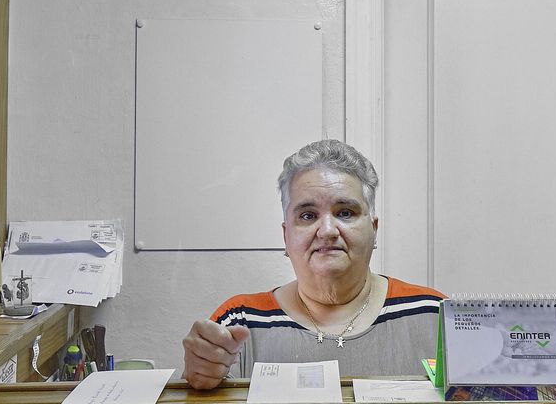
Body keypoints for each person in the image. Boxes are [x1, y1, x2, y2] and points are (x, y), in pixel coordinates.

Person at [182, 139, 442, 390]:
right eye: (307, 216)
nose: (327, 230)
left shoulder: (433, 316)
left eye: (345, 213)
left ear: (373, 230)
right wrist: (199, 377)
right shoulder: (241, 322)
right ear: (286, 236)